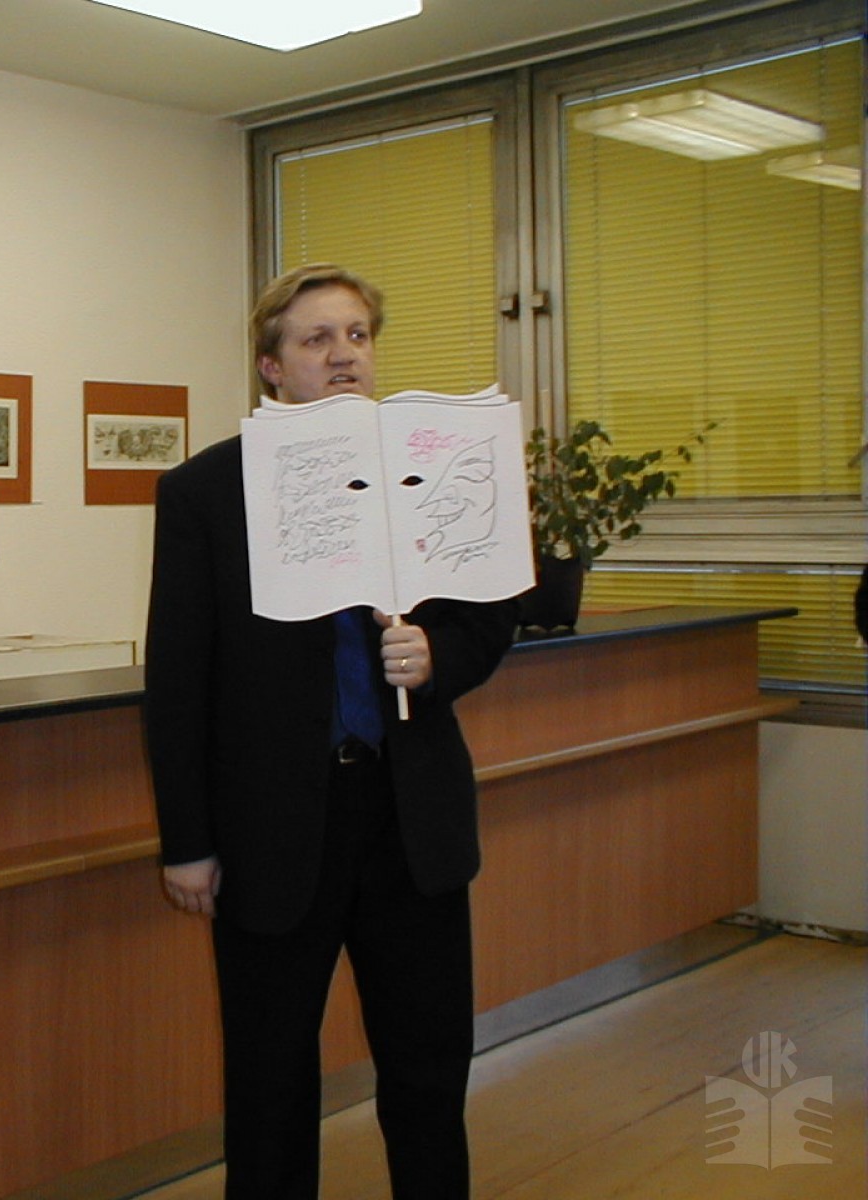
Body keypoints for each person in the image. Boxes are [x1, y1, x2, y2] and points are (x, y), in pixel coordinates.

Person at [143, 264, 520, 1199]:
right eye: (316, 339)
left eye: (357, 335)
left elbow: (487, 616)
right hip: (273, 829)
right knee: (270, 1081)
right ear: (271, 366)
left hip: (411, 819)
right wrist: (187, 841)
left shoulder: (429, 467)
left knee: (429, 1069)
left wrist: (437, 657)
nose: (344, 354)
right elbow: (178, 682)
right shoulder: (205, 492)